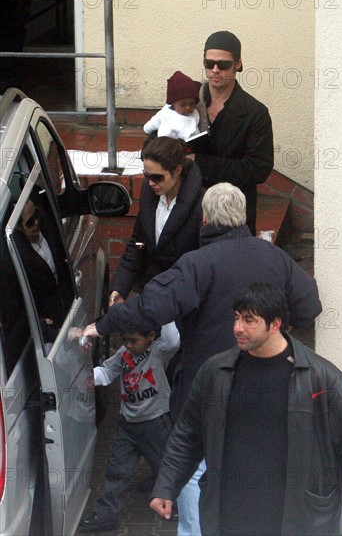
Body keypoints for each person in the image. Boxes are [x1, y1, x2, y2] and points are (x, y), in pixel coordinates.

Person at [83, 183, 322, 536]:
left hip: (206, 386)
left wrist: (101, 326)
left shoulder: (196, 264)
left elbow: (150, 307)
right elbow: (309, 307)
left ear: (206, 218)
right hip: (268, 384)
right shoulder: (274, 257)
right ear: (242, 217)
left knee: (196, 467)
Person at [150, 282, 342, 536]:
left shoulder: (323, 379)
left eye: (249, 320)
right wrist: (166, 486)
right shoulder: (216, 372)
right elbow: (187, 435)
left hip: (296, 519)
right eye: (236, 318)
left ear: (275, 324)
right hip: (229, 517)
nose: (238, 328)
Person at [80, 322, 180, 532]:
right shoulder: (123, 354)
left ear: (151, 336)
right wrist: (83, 377)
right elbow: (106, 373)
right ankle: (107, 514)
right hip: (127, 424)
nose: (128, 345)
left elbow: (173, 340)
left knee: (166, 466)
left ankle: (177, 504)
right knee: (117, 470)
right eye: (125, 341)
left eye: (134, 341)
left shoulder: (158, 351)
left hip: (156, 422)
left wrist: (167, 312)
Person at [189, 30, 274, 236]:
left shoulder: (255, 113)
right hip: (190, 208)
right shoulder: (187, 100)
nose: (215, 70)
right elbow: (157, 143)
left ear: (238, 64)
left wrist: (198, 161)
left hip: (233, 216)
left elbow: (258, 168)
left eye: (223, 64)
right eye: (209, 64)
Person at [109, 136, 204, 306]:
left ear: (177, 170)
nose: (151, 183)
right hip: (153, 295)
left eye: (158, 177)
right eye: (147, 176)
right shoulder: (150, 196)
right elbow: (139, 244)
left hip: (184, 302)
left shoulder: (202, 206)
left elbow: (204, 264)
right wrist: (120, 288)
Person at [13, 198, 73, 342]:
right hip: (48, 323)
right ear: (19, 228)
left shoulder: (47, 225)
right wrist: (40, 323)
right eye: (30, 222)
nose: (36, 222)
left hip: (68, 304)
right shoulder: (18, 253)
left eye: (36, 216)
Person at [143, 71, 201, 140]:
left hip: (189, 145)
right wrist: (147, 129)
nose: (188, 108)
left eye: (192, 104)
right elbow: (151, 125)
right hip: (167, 144)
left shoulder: (194, 113)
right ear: (173, 103)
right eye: (183, 105)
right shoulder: (165, 113)